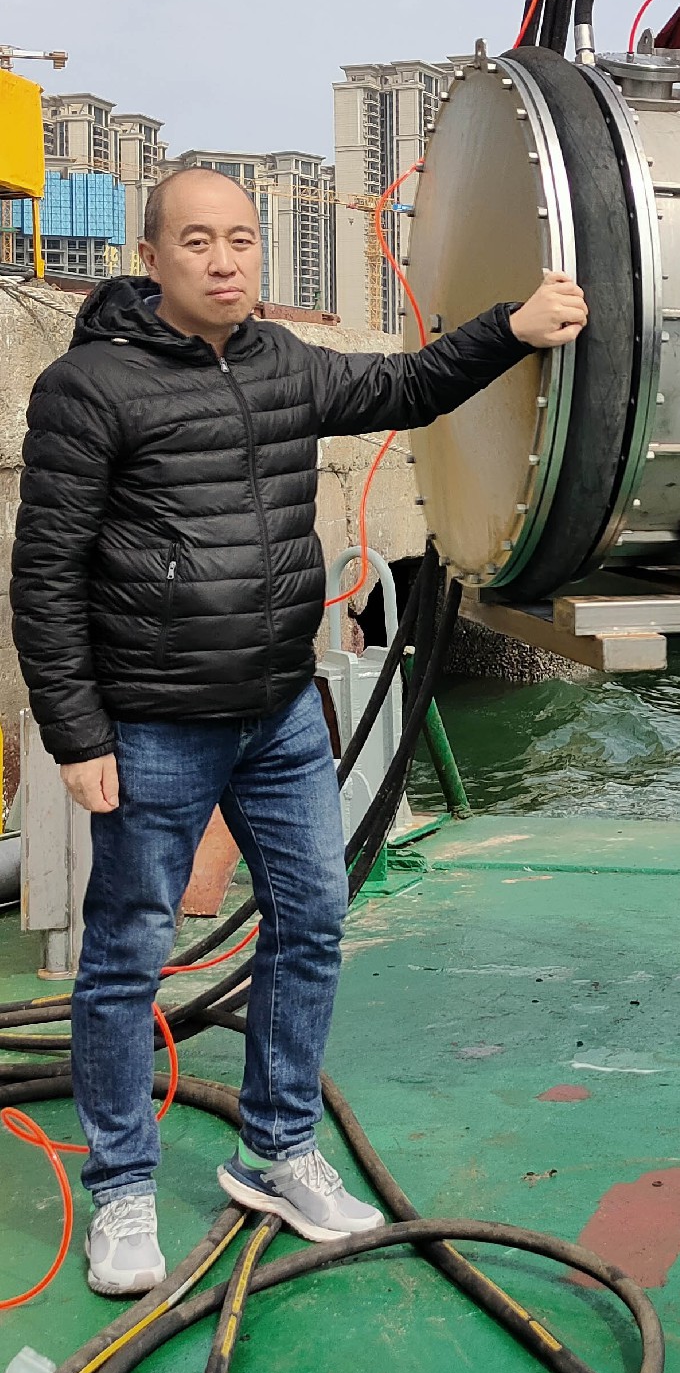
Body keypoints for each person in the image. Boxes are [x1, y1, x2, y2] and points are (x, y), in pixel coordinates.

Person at [9, 165, 588, 1296]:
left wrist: (511, 328)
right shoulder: (91, 386)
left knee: (313, 920)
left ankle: (277, 1150)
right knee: (127, 957)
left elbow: (407, 384)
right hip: (156, 720)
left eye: (240, 238)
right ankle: (122, 1185)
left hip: (278, 713)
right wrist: (77, 736)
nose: (225, 261)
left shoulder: (283, 362)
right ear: (151, 257)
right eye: (197, 242)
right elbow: (46, 573)